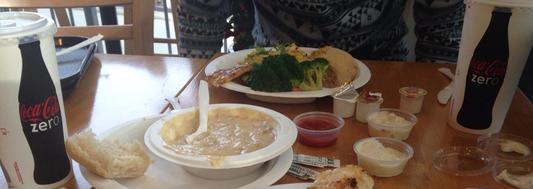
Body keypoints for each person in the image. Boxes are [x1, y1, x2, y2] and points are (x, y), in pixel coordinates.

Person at [174, 0, 465, 63]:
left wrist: (442, 95)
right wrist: (198, 77)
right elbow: (201, 9)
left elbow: (444, 18)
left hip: (382, 69)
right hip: (268, 64)